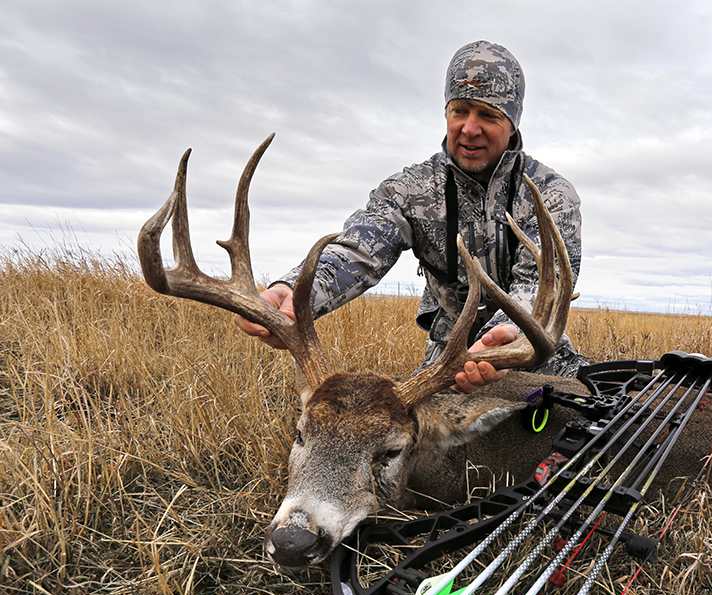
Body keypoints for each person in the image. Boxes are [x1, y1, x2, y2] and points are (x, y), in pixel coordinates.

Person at [234, 40, 583, 393]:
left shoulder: (551, 195)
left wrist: (507, 335)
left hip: (534, 356)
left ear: (512, 124)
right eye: (459, 111)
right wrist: (294, 293)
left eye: (488, 115)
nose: (470, 128)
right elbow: (358, 250)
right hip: (449, 369)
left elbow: (539, 285)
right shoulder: (412, 189)